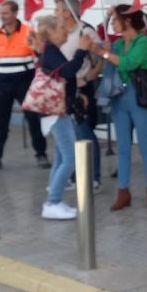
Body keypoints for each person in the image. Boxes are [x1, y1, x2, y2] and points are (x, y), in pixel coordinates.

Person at [90, 6, 147, 211]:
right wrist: (108, 17)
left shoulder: (144, 41)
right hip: (120, 98)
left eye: (116, 20)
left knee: (145, 145)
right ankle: (123, 191)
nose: (112, 24)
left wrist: (103, 53)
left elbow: (128, 63)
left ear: (127, 21)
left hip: (139, 96)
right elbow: (108, 59)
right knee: (123, 147)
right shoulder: (118, 43)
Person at [33, 14, 93, 220]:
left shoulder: (51, 51)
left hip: (59, 110)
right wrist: (81, 51)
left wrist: (76, 95)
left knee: (61, 157)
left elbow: (62, 78)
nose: (66, 30)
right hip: (55, 112)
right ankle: (52, 202)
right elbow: (68, 71)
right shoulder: (50, 51)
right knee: (70, 158)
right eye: (61, 27)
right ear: (50, 31)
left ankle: (54, 198)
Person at [0, 0, 48, 167]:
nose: (2, 16)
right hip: (3, 83)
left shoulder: (28, 31)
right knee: (1, 122)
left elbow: (40, 55)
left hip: (24, 82)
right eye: (0, 13)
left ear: (15, 13)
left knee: (33, 119)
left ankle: (41, 153)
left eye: (5, 13)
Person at [54, 0, 102, 193]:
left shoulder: (86, 30)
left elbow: (100, 58)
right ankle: (73, 176)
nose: (54, 13)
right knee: (67, 135)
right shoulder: (58, 32)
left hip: (81, 89)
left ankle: (93, 178)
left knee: (84, 133)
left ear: (67, 12)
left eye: (57, 9)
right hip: (62, 90)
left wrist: (88, 78)